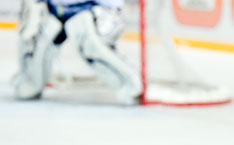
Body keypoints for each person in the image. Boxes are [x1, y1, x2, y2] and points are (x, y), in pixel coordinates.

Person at [12, 0, 142, 104]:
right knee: (27, 88)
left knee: (87, 36)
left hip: (91, 9)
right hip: (53, 10)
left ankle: (130, 81)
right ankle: (29, 78)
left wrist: (109, 14)